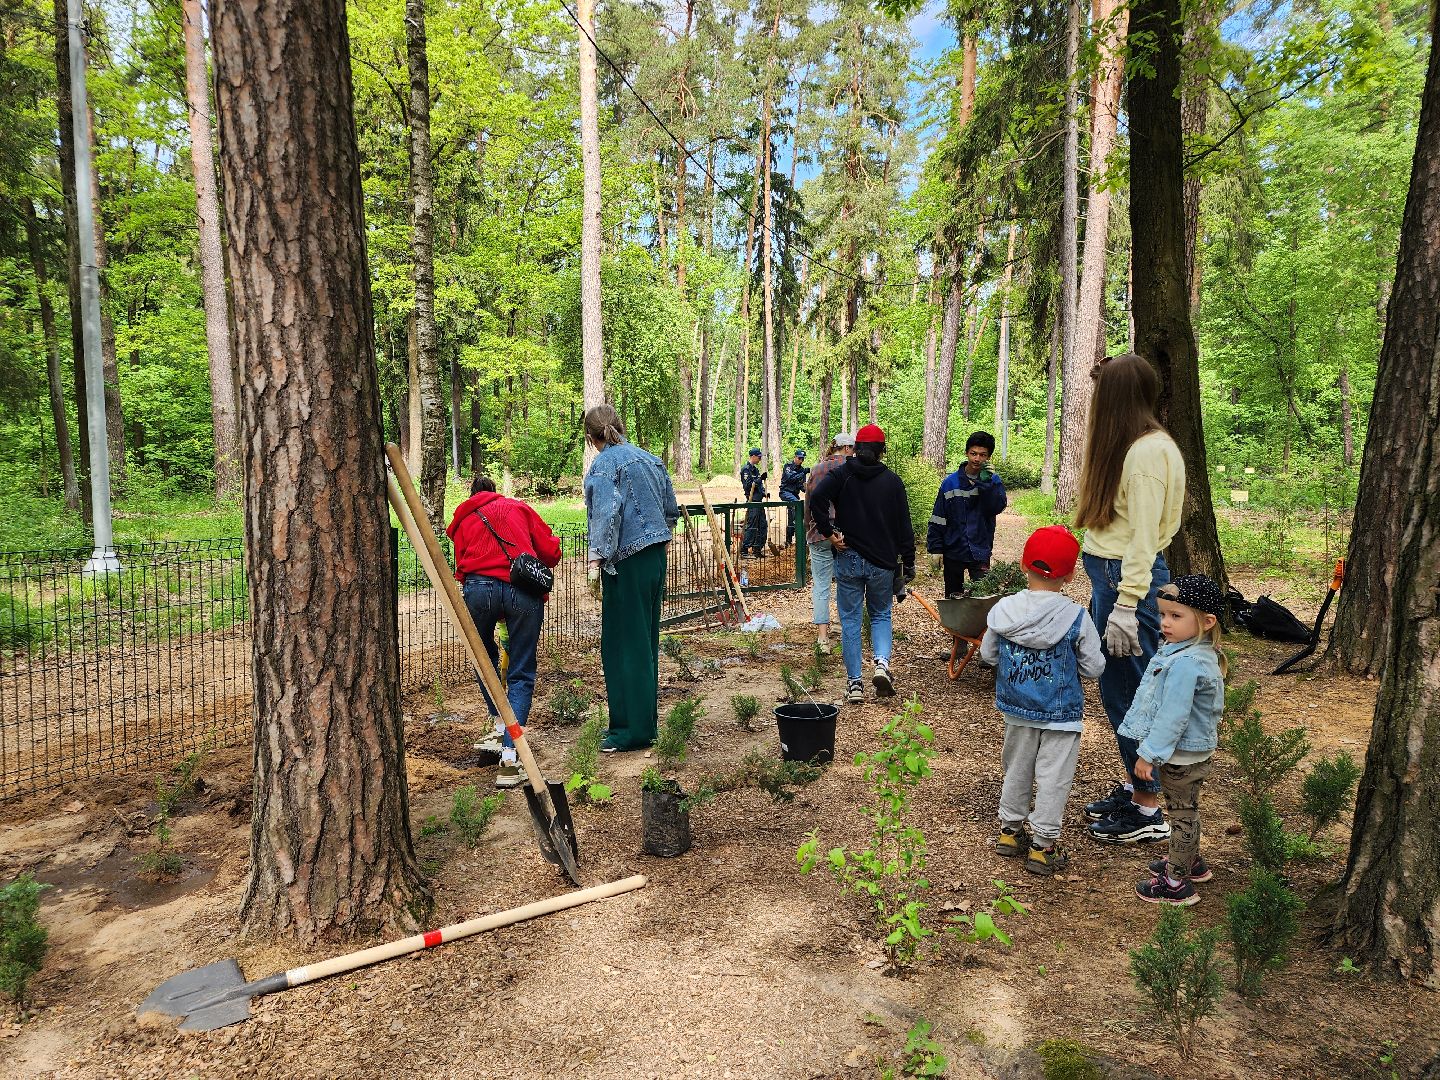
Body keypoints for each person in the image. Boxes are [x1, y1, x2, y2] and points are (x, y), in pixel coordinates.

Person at [1074, 353, 1187, 845]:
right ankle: (1136, 784)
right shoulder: (1140, 446)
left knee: (1130, 695)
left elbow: (1143, 539)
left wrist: (1125, 604)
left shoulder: (1146, 455)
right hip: (1118, 579)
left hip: (1128, 585)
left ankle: (1148, 808)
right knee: (1125, 690)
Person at [981, 526, 1105, 876]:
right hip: (1061, 716)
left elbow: (989, 655)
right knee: (1054, 778)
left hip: (1017, 712)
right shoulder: (1077, 617)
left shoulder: (1004, 611)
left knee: (1016, 769)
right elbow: (1094, 668)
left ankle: (1008, 833)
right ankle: (1042, 847)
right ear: (1070, 574)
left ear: (1023, 565)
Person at [1115, 575, 1226, 905]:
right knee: (1186, 809)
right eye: (1163, 614)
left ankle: (1176, 881)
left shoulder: (1186, 664)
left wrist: (1149, 754)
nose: (1164, 622)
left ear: (1206, 622)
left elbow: (1172, 716)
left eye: (1176, 616)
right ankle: (1189, 861)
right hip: (1191, 751)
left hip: (1180, 755)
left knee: (1181, 814)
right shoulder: (1194, 652)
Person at [448, 475, 563, 788]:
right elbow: (552, 552)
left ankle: (499, 725)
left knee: (483, 656)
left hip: (478, 591)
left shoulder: (463, 517)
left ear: (472, 495)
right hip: (522, 592)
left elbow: (461, 564)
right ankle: (511, 762)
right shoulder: (518, 508)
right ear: (495, 492)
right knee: (521, 672)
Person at [583, 404, 681, 752]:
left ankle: (630, 731)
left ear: (591, 437)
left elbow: (606, 515)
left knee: (622, 645)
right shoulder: (649, 458)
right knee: (644, 642)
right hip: (656, 558)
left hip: (627, 562)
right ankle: (645, 724)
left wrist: (595, 562)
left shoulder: (605, 463)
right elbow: (672, 510)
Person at [808, 424, 915, 704]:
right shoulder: (892, 481)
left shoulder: (843, 474)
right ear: (882, 451)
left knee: (851, 621)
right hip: (883, 561)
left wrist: (829, 533)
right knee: (880, 615)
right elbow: (904, 524)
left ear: (855, 448)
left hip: (849, 558)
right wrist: (909, 560)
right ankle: (881, 664)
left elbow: (817, 497)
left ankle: (855, 684)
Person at [927, 431, 1008, 596]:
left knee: (982, 599)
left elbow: (996, 507)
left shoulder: (993, 481)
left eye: (983, 455)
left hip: (980, 550)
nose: (977, 459)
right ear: (967, 453)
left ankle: (979, 624)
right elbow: (938, 517)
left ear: (989, 457)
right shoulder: (950, 482)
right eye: (973, 453)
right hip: (953, 550)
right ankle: (954, 623)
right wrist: (936, 548)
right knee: (953, 599)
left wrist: (986, 484)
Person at [804, 433, 855, 653]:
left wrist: (810, 530)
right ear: (846, 448)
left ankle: (823, 638)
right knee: (848, 583)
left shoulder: (816, 470)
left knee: (821, 585)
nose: (853, 452)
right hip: (847, 533)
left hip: (820, 533)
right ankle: (847, 631)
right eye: (852, 448)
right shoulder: (854, 469)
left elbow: (809, 504)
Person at [738, 448, 769, 557]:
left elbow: (759, 486)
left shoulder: (755, 470)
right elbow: (748, 485)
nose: (760, 459)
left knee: (763, 525)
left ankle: (757, 549)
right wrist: (760, 479)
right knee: (751, 525)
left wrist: (764, 493)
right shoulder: (746, 470)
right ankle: (744, 549)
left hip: (759, 501)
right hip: (752, 501)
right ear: (753, 456)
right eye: (759, 457)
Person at [778, 449, 809, 546]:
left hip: (795, 494)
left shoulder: (801, 470)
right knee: (797, 507)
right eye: (800, 458)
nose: (801, 460)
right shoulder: (788, 466)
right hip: (785, 492)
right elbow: (790, 478)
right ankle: (799, 538)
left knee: (792, 516)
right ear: (795, 457)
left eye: (803, 459)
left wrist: (808, 489)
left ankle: (789, 540)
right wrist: (803, 473)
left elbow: (801, 485)